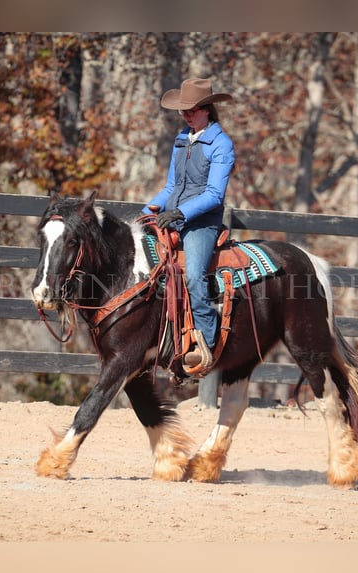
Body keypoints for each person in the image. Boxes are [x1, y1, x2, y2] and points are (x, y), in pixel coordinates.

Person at [143, 77, 235, 370]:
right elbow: (171, 186)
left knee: (194, 275)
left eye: (192, 110)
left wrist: (180, 213)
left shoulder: (221, 145)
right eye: (183, 110)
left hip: (201, 225)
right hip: (174, 217)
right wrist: (145, 212)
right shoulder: (182, 139)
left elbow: (214, 195)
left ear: (207, 109)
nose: (186, 115)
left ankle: (206, 343)